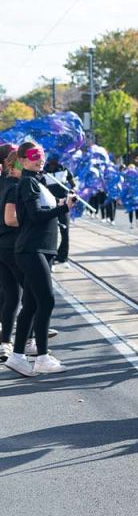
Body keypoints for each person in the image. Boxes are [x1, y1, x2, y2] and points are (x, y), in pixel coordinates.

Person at [4, 141, 76, 376]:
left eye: (41, 154)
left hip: (40, 249)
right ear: (22, 160)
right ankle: (42, 357)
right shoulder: (26, 183)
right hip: (31, 249)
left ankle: (17, 356)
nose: (39, 158)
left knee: (33, 303)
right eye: (33, 156)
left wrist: (62, 201)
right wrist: (63, 208)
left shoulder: (38, 181)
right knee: (47, 300)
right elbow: (35, 216)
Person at [0, 146, 23, 363]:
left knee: (10, 295)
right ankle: (32, 338)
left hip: (2, 244)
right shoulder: (15, 186)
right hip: (12, 244)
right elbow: (10, 218)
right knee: (34, 294)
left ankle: (5, 341)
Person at [44, 156, 75, 268]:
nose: (54, 160)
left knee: (65, 230)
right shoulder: (43, 170)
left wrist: (72, 191)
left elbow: (73, 184)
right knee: (51, 232)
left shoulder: (64, 169)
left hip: (63, 204)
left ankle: (63, 257)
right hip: (50, 204)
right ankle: (50, 260)